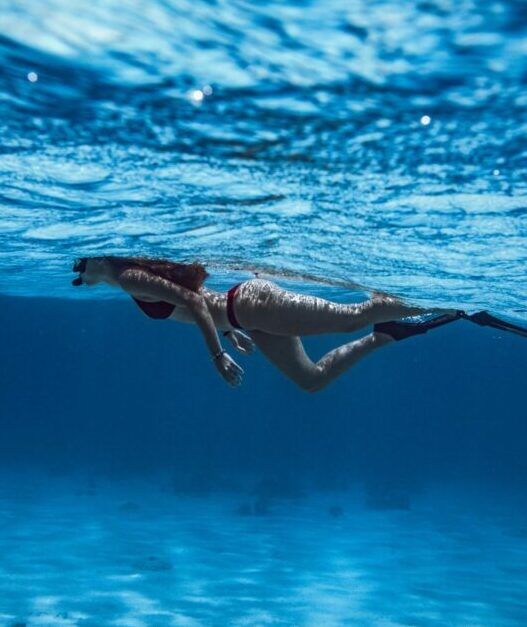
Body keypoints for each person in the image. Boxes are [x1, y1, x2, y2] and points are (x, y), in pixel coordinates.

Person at [71, 255, 464, 392]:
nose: (79, 276)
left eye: (80, 267)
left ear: (97, 259)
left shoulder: (128, 278)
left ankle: (446, 301)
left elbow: (192, 299)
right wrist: (229, 331)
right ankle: (385, 335)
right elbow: (195, 307)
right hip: (247, 318)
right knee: (311, 380)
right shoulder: (125, 282)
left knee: (351, 318)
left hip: (253, 305)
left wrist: (217, 356)